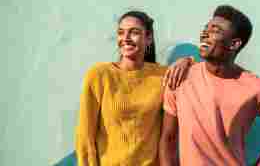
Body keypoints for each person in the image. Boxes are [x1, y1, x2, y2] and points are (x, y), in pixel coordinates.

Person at [160, 5, 260, 166]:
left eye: (216, 30)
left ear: (234, 44)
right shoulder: (180, 77)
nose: (205, 34)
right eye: (206, 28)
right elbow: (168, 138)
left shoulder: (256, 89)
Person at [75, 10, 192, 166]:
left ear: (148, 38)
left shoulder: (162, 76)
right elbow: (85, 137)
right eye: (121, 33)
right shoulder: (99, 75)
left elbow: (203, 73)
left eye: (134, 32)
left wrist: (187, 61)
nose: (126, 38)